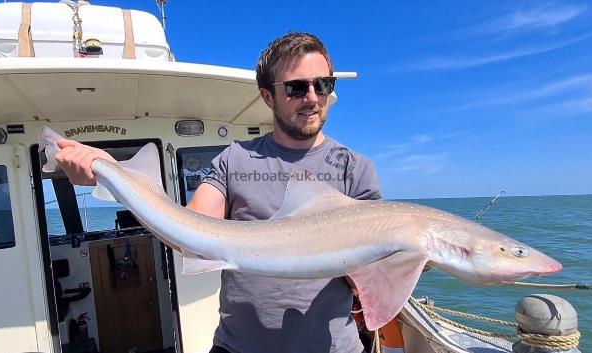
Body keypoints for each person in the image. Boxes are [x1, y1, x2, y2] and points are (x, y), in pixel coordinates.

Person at [54, 32, 381, 353]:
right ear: (268, 96)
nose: (312, 97)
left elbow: (366, 282)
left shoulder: (354, 169)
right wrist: (114, 175)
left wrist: (393, 261)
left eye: (323, 84)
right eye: (296, 87)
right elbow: (188, 234)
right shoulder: (234, 159)